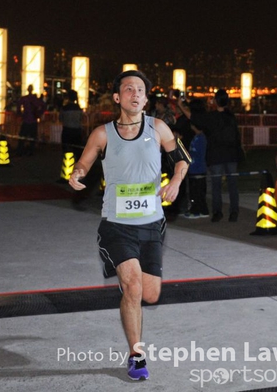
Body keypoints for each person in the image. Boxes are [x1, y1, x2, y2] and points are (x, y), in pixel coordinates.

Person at [69, 70, 190, 381]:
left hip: (151, 223)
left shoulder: (158, 128)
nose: (135, 94)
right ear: (117, 97)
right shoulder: (103, 134)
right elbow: (84, 161)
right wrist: (77, 173)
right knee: (134, 286)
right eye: (128, 89)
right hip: (117, 223)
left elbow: (182, 158)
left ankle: (130, 287)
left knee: (149, 293)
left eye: (140, 90)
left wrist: (175, 181)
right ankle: (136, 356)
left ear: (146, 99)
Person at [176, 89, 241, 222]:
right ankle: (234, 212)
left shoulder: (212, 117)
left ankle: (217, 212)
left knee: (216, 185)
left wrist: (181, 105)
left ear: (216, 101)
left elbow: (193, 117)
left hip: (216, 156)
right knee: (232, 185)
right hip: (231, 155)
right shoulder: (231, 117)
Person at [183, 121, 209, 218]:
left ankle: (196, 211)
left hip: (197, 168)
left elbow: (197, 153)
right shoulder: (198, 137)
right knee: (198, 190)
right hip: (196, 167)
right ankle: (202, 210)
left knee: (196, 191)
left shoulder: (200, 138)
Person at [16, 84, 43, 156]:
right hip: (33, 120)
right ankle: (31, 150)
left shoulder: (24, 98)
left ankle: (20, 150)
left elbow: (18, 105)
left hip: (26, 120)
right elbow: (42, 106)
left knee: (22, 136)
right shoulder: (35, 99)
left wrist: (20, 114)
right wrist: (39, 114)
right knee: (33, 137)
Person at [59, 89, 84, 160]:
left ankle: (68, 166)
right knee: (78, 153)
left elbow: (60, 119)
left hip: (67, 131)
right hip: (77, 132)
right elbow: (81, 119)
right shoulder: (79, 108)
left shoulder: (64, 108)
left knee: (67, 153)